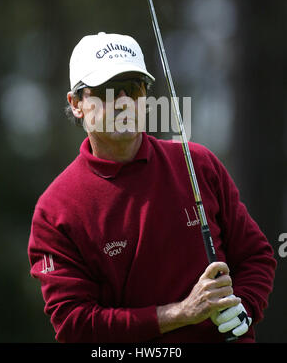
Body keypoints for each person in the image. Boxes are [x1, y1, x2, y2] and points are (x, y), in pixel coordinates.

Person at [28, 32, 276, 343]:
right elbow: (75, 324)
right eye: (107, 91)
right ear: (77, 103)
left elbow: (256, 256)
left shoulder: (198, 164)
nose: (122, 102)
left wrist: (246, 306)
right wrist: (182, 313)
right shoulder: (55, 209)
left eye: (133, 89)